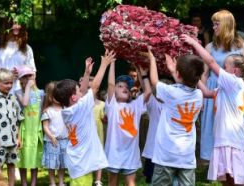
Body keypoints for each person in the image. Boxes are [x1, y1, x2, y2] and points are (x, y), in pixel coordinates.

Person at [181, 33, 244, 185]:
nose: (221, 69)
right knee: (226, 180)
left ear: (234, 71)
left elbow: (211, 62)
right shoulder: (225, 88)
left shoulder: (235, 83)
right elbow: (206, 93)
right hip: (222, 140)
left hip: (231, 140)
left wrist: (194, 44)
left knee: (237, 180)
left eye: (225, 66)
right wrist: (194, 76)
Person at [53, 50, 115, 186]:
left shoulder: (68, 110)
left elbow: (83, 91)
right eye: (78, 90)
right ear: (73, 97)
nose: (81, 90)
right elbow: (95, 87)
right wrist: (104, 64)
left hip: (78, 160)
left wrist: (87, 73)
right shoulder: (80, 108)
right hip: (82, 161)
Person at [144, 48, 204, 186]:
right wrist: (173, 70)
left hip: (166, 155)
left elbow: (154, 81)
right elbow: (186, 82)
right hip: (187, 157)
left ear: (178, 74)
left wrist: (152, 59)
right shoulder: (198, 95)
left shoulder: (171, 92)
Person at [199, 10, 244, 161]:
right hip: (214, 89)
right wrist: (202, 96)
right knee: (212, 126)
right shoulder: (210, 47)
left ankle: (231, 162)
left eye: (216, 24)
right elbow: (204, 73)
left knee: (231, 126)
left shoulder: (242, 46)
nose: (213, 27)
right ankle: (214, 163)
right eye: (213, 24)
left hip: (234, 93)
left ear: (226, 25)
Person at [105, 56, 151, 185]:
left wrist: (142, 73)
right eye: (119, 86)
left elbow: (147, 91)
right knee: (112, 182)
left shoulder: (135, 105)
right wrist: (112, 63)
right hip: (114, 152)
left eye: (127, 87)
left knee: (131, 183)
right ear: (113, 91)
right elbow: (110, 84)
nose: (124, 88)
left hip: (131, 153)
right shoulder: (112, 105)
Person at [0, 20, 36, 94]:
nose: (17, 26)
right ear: (7, 25)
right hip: (1, 97)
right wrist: (8, 74)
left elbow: (33, 74)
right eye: (14, 23)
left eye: (19, 24)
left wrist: (22, 73)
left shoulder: (27, 48)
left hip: (23, 97)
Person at [15, 65, 44, 186]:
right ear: (20, 80)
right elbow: (25, 103)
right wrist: (27, 87)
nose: (27, 79)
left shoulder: (41, 93)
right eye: (24, 77)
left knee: (34, 157)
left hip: (36, 130)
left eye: (29, 76)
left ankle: (33, 182)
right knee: (23, 157)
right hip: (24, 129)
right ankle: (23, 183)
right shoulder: (18, 93)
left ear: (34, 76)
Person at [41, 81, 68, 186]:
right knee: (51, 163)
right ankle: (52, 183)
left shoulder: (65, 109)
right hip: (51, 141)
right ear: (50, 96)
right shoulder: (48, 111)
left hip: (64, 140)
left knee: (62, 163)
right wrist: (51, 137)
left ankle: (61, 182)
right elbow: (45, 126)